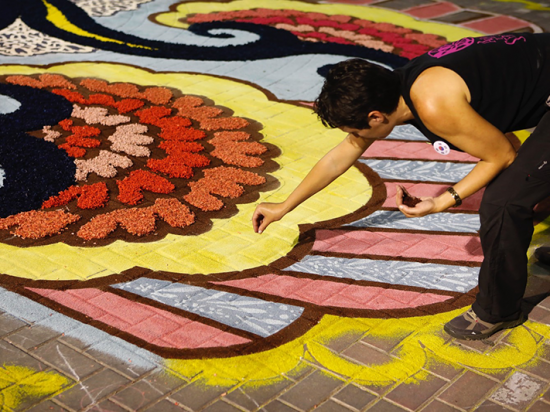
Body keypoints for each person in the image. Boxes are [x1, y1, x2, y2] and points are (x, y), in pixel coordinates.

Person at [252, 32, 550, 340]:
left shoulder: (433, 103)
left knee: (503, 202)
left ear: (376, 117)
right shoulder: (393, 86)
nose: (355, 137)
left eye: (355, 129)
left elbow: (501, 155)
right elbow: (338, 158)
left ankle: (498, 311)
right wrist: (285, 206)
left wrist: (441, 201)